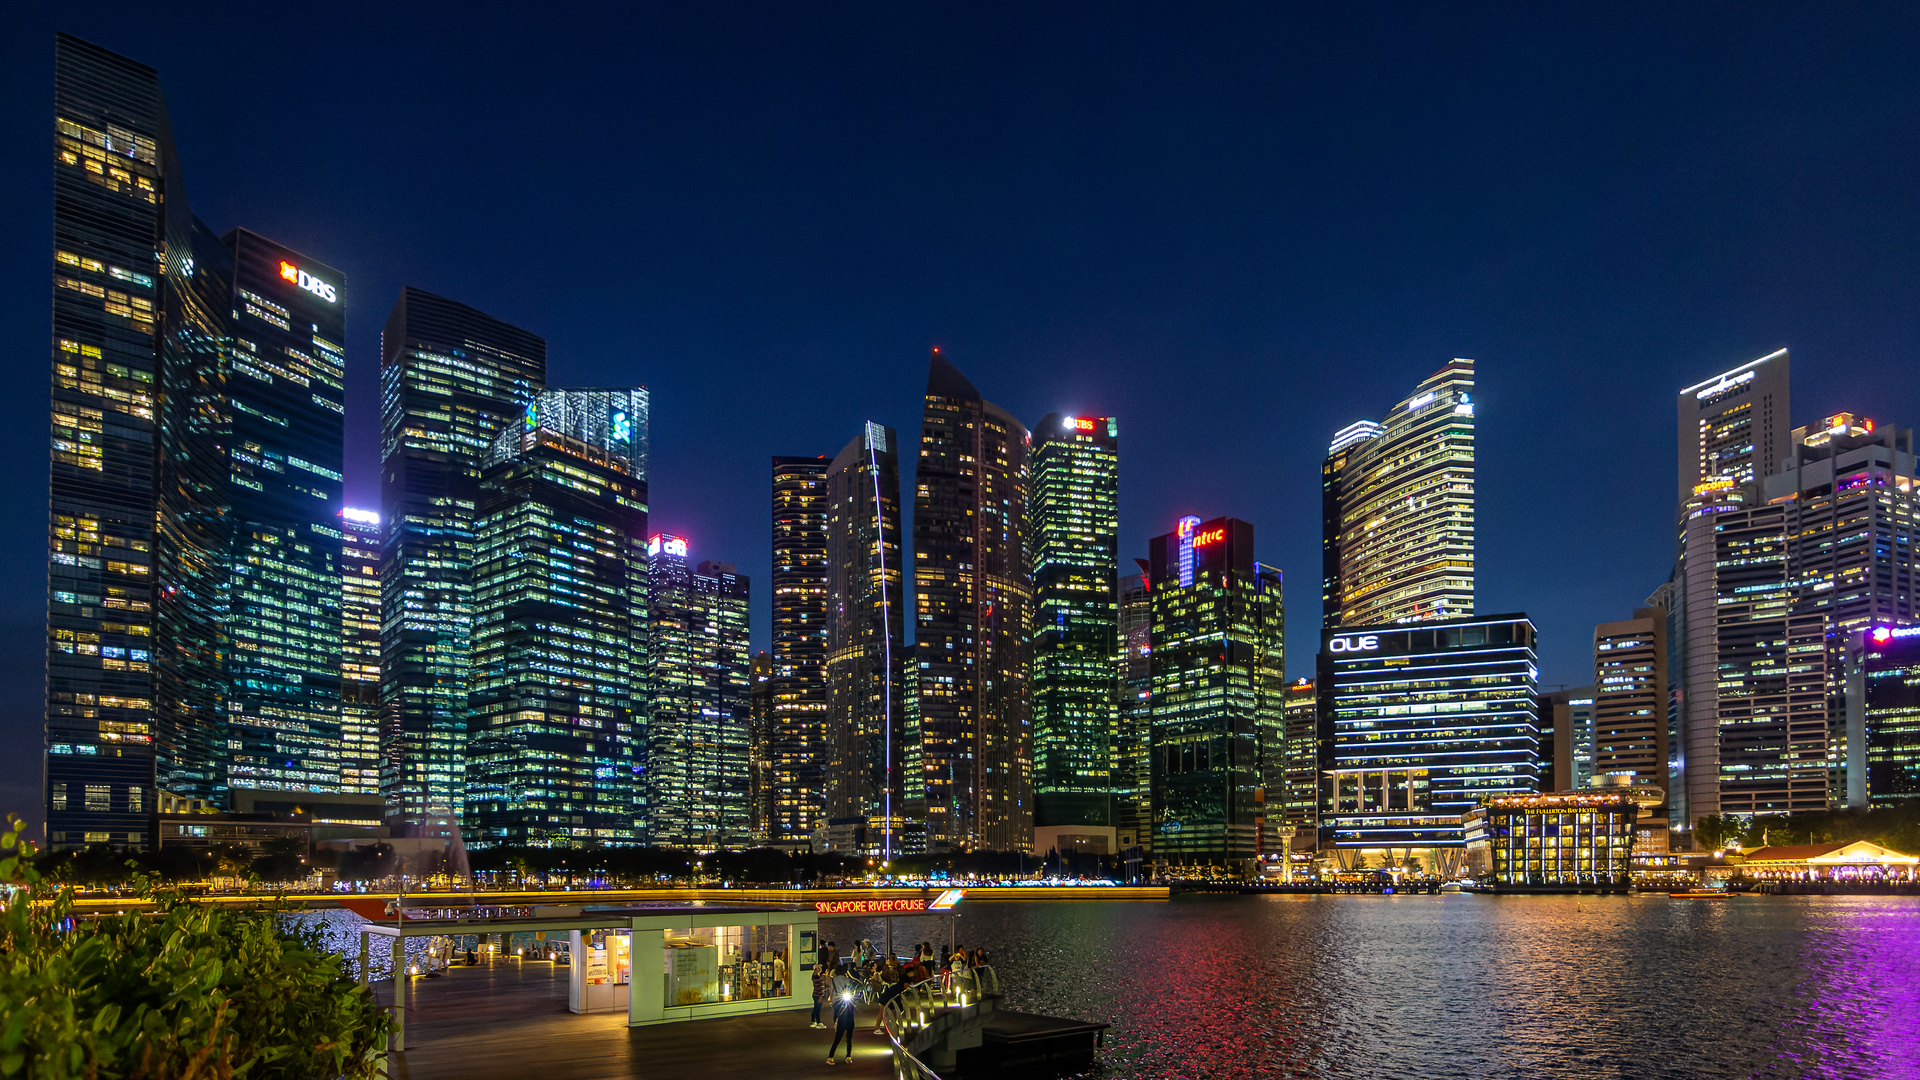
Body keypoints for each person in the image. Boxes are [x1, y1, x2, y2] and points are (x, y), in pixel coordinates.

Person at [826, 972, 857, 1064]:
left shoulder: (850, 1001)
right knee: (837, 1039)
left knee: (849, 1039)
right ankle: (830, 1057)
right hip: (844, 1021)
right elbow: (840, 1009)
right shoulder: (842, 1002)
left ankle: (848, 1056)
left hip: (849, 1021)